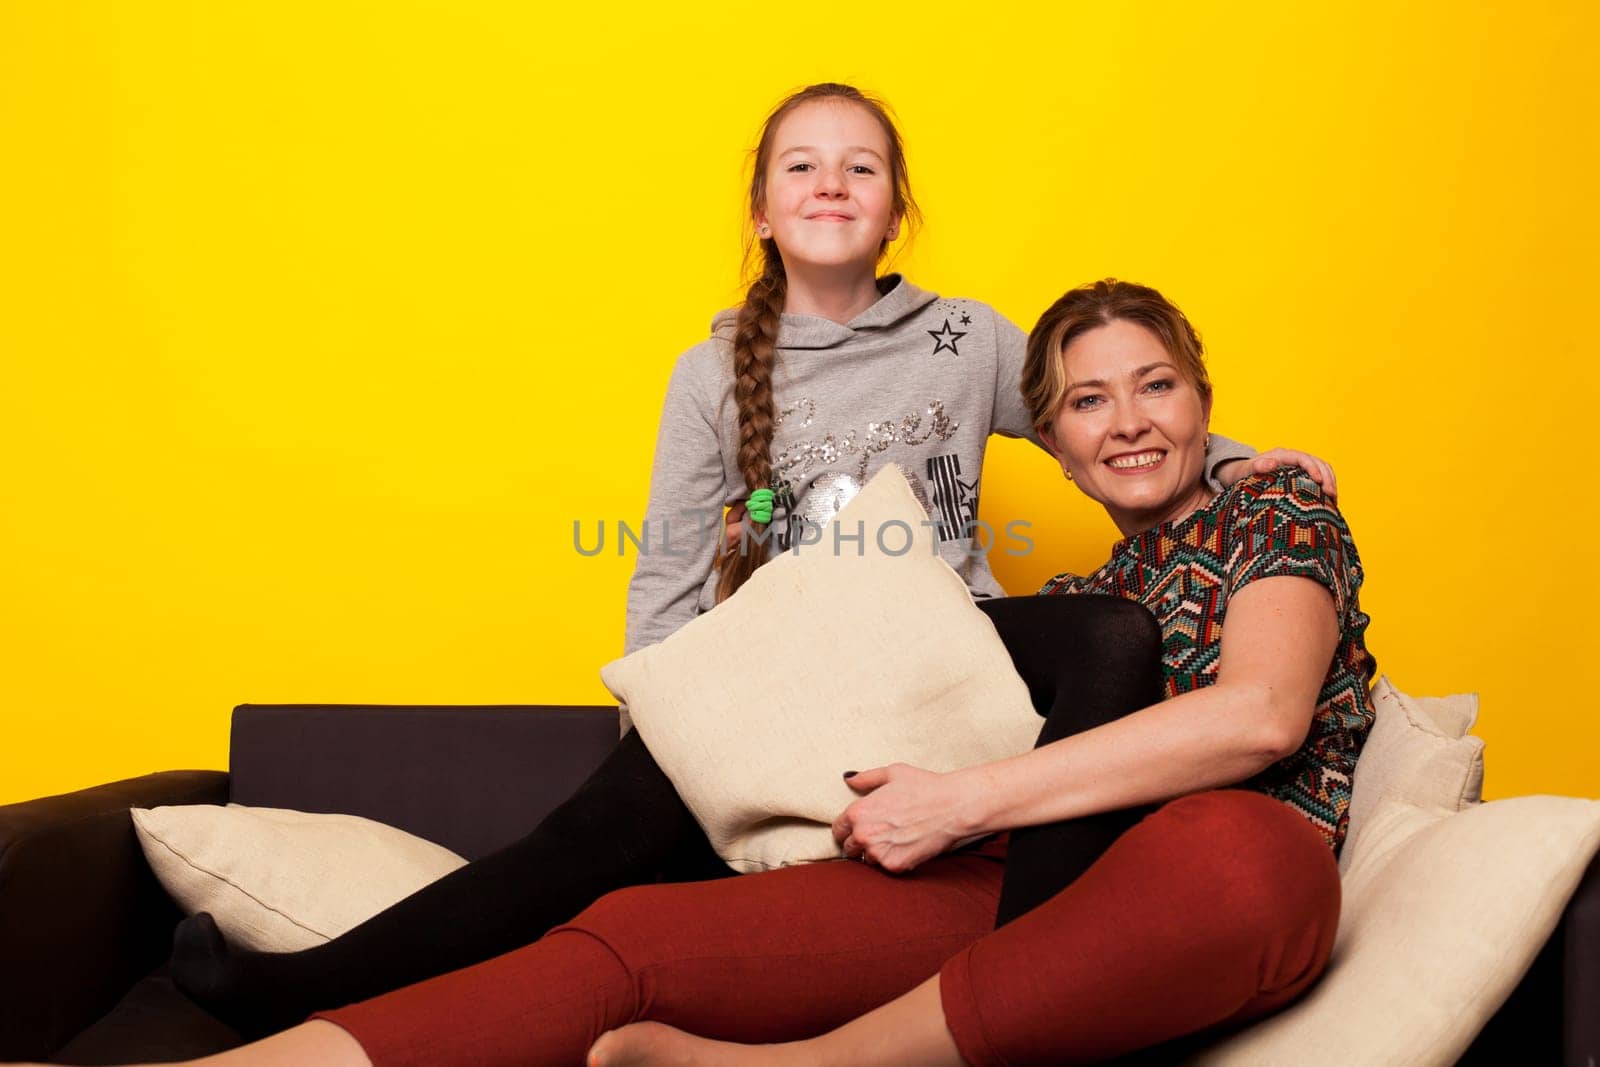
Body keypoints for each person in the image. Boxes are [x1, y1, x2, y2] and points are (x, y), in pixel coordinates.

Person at [164, 80, 1331, 1042]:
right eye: (802, 167)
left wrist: (1235, 463)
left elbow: (1098, 411)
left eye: (861, 165)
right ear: (765, 213)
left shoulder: (965, 337)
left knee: (1109, 633)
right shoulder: (709, 374)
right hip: (793, 674)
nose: (832, 181)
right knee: (575, 849)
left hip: (949, 651)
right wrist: (666, 721)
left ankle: (1020, 965)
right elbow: (668, 573)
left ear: (896, 211)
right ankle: (295, 985)